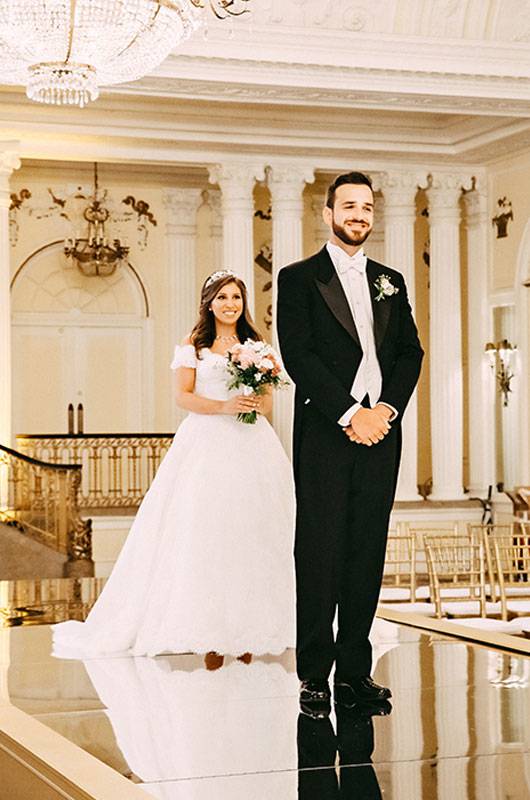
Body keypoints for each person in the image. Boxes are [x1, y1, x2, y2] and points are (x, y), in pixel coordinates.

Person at [53, 270, 295, 661]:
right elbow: (182, 397)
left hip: (252, 445)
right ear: (209, 303)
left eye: (235, 297)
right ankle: (212, 632)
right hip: (207, 444)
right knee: (206, 533)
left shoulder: (259, 346)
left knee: (253, 531)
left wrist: (252, 403)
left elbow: (267, 402)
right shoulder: (193, 345)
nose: (230, 304)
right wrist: (223, 407)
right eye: (222, 297)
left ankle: (251, 628)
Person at [277, 171, 423, 717]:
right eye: (349, 206)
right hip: (325, 433)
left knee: (366, 551)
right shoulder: (298, 278)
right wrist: (349, 413)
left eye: (367, 207)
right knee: (319, 552)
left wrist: (385, 411)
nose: (359, 215)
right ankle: (315, 676)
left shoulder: (391, 279)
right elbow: (300, 355)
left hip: (382, 433)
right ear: (328, 213)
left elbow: (410, 353)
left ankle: (355, 673)